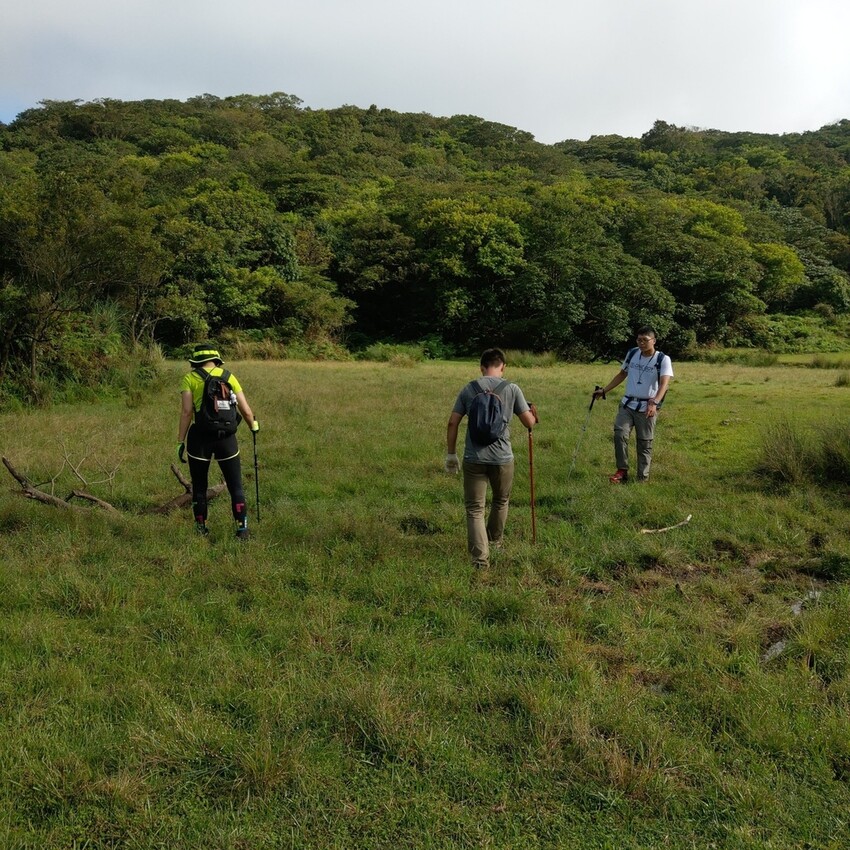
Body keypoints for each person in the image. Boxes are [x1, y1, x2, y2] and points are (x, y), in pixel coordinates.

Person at [445, 348, 537, 569]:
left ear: (481, 367)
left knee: (475, 508)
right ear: (503, 366)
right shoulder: (512, 388)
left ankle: (479, 560)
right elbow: (528, 423)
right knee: (501, 500)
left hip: (473, 458)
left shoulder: (470, 388)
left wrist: (451, 454)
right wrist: (533, 414)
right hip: (502, 458)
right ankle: (494, 542)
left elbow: (452, 422)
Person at [177, 344, 259, 538]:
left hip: (199, 438)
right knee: (235, 485)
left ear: (195, 361)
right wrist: (253, 426)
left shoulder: (190, 378)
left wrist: (180, 441)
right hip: (227, 438)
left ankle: (201, 529)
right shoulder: (229, 376)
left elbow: (187, 412)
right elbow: (245, 410)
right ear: (216, 359)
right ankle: (242, 529)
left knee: (199, 487)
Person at [593, 326, 673, 483]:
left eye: (645, 340)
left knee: (644, 442)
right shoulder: (632, 353)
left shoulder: (662, 359)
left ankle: (642, 478)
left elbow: (664, 384)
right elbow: (622, 374)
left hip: (648, 407)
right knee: (619, 434)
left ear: (654, 341)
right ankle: (622, 471)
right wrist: (604, 391)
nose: (642, 343)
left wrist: (655, 403)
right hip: (627, 404)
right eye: (639, 340)